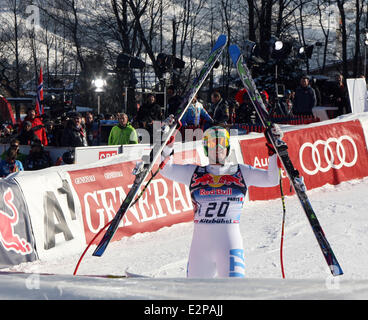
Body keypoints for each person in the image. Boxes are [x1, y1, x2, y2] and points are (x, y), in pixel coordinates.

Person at [159, 125, 282, 278]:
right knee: (195, 296)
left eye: (221, 143)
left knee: (233, 294)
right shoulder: (194, 173)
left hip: (229, 246)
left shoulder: (241, 171)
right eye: (212, 144)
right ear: (205, 149)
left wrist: (272, 152)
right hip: (200, 249)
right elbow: (165, 169)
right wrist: (167, 146)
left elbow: (272, 179)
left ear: (228, 147)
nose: (217, 148)